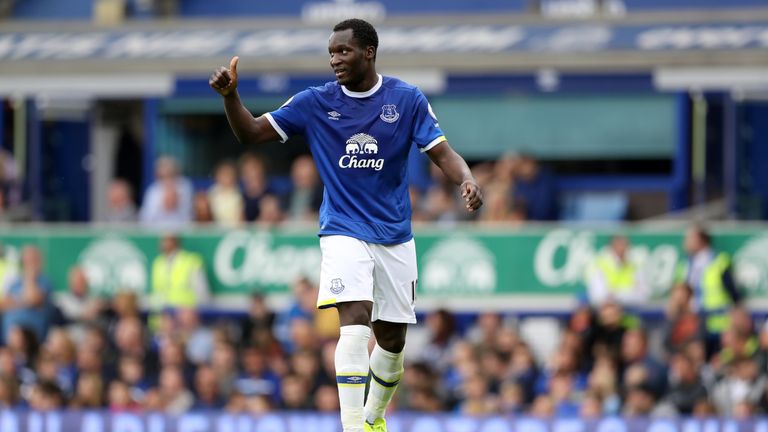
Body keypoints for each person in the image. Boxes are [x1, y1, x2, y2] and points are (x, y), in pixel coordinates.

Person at [210, 18, 482, 432]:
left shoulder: (406, 99)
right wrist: (232, 96)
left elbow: (443, 153)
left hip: (394, 235)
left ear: (368, 52)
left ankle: (373, 418)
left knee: (392, 342)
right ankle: (353, 424)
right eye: (332, 53)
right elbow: (250, 133)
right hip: (342, 227)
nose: (335, 60)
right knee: (354, 322)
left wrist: (466, 179)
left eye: (344, 51)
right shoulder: (314, 102)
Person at [678, 225, 742, 354]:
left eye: (690, 238)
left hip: (718, 322)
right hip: (694, 322)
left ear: (701, 240)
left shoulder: (720, 261)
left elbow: (734, 293)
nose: (685, 242)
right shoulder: (685, 264)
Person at [584, 235, 649, 308]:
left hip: (631, 309)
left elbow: (643, 295)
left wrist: (616, 294)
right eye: (618, 245)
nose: (622, 249)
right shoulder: (598, 265)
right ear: (611, 247)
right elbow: (598, 296)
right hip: (606, 311)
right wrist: (628, 293)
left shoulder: (635, 265)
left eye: (625, 245)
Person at [150, 234, 209, 313]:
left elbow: (202, 293)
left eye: (166, 240)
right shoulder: (158, 263)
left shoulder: (191, 261)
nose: (162, 243)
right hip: (163, 316)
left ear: (175, 241)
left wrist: (194, 312)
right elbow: (157, 294)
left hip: (186, 315)